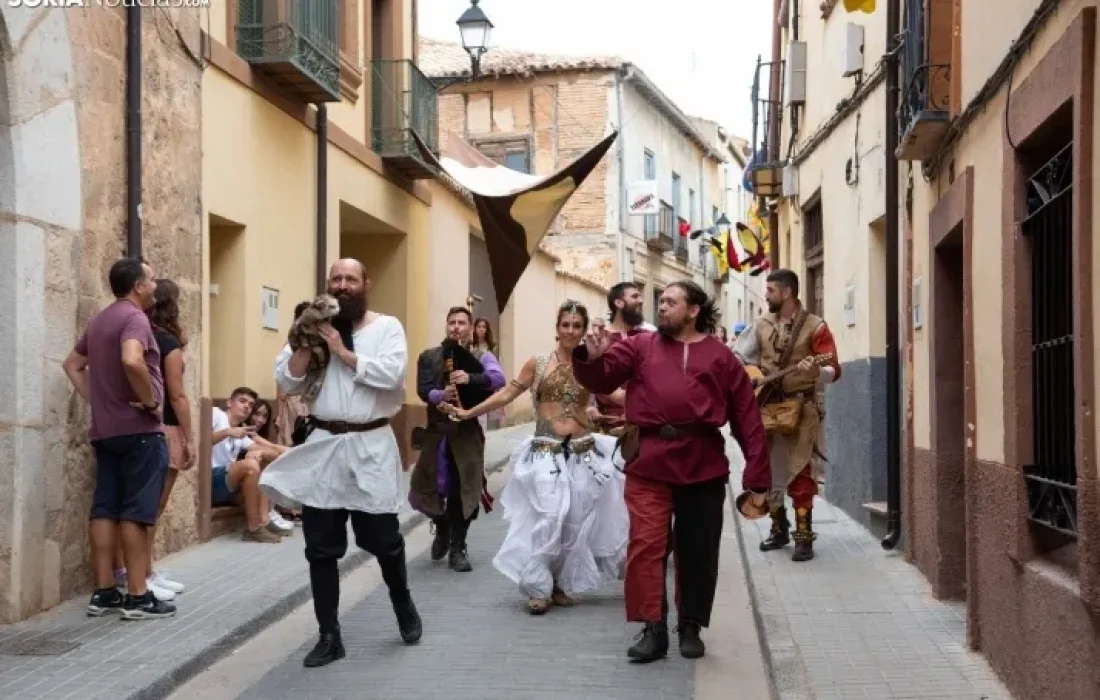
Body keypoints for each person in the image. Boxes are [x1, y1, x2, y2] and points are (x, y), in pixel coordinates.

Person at [571, 280, 771, 662]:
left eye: (670, 302)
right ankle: (653, 628)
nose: (661, 307)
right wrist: (593, 357)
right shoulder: (639, 346)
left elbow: (747, 416)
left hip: (703, 462)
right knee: (646, 545)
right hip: (649, 459)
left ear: (693, 310)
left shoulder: (721, 357)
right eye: (660, 301)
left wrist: (757, 477)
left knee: (697, 549)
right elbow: (602, 379)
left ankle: (691, 625)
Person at [260, 258, 422, 668]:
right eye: (337, 279)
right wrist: (304, 342)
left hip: (370, 447)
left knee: (383, 540)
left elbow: (391, 375)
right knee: (321, 548)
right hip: (324, 447)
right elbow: (286, 380)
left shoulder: (387, 328)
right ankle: (329, 635)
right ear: (329, 286)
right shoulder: (312, 329)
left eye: (352, 279)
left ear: (366, 284)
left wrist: (341, 352)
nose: (344, 285)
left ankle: (402, 601)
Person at [441, 300, 628, 615]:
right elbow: (506, 394)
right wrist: (468, 412)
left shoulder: (593, 367)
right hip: (545, 453)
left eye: (576, 326)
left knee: (573, 522)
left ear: (583, 331)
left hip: (583, 454)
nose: (570, 331)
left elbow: (618, 396)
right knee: (549, 516)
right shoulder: (538, 363)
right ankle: (537, 586)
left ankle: (559, 583)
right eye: (565, 325)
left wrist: (657, 389)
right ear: (557, 329)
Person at [62, 258, 176, 620]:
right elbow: (131, 359)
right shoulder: (134, 318)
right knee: (136, 513)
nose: (155, 286)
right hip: (139, 432)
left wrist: (99, 401)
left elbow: (72, 365)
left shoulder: (99, 320)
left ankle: (104, 591)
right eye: (152, 279)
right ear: (138, 286)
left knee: (105, 508)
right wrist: (150, 400)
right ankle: (138, 596)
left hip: (106, 431)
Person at [732, 269, 841, 562]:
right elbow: (737, 358)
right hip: (765, 406)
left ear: (787, 293)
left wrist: (817, 372)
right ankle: (778, 528)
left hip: (800, 410)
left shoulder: (816, 327)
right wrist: (748, 377)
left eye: (770, 291)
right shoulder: (761, 324)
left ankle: (804, 537)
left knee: (800, 470)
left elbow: (834, 369)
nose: (765, 295)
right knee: (767, 469)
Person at [409, 306, 505, 572]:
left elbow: (498, 379)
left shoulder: (482, 356)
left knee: (464, 489)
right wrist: (441, 396)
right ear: (446, 326)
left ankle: (458, 547)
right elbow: (423, 389)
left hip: (467, 434)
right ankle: (441, 528)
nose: (456, 327)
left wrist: (470, 377)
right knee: (429, 486)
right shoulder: (429, 356)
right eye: (452, 322)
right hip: (437, 434)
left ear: (471, 327)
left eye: (462, 322)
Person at [144, 279, 194, 597]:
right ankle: (143, 574)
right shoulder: (167, 342)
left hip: (142, 425)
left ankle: (145, 569)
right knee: (154, 504)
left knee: (143, 504)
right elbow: (177, 395)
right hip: (168, 427)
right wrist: (189, 438)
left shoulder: (142, 335)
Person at [210, 388, 288, 541]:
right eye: (242, 401)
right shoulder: (216, 414)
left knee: (262, 464)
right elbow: (200, 439)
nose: (247, 406)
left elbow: (273, 452)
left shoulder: (242, 432)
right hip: (211, 481)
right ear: (229, 403)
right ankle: (253, 528)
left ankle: (264, 520)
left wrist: (261, 453)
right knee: (250, 466)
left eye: (251, 405)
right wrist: (227, 432)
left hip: (228, 486)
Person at [587, 282, 654, 434]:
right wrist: (620, 397)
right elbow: (591, 377)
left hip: (645, 423)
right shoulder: (600, 339)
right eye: (635, 296)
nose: (641, 300)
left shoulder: (649, 336)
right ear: (619, 303)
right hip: (608, 424)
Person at [471, 316, 505, 429]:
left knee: (482, 417)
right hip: (472, 384)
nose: (481, 329)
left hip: (485, 384)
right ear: (475, 329)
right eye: (479, 326)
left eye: (483, 327)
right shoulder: (470, 346)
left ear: (487, 330)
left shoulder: (490, 349)